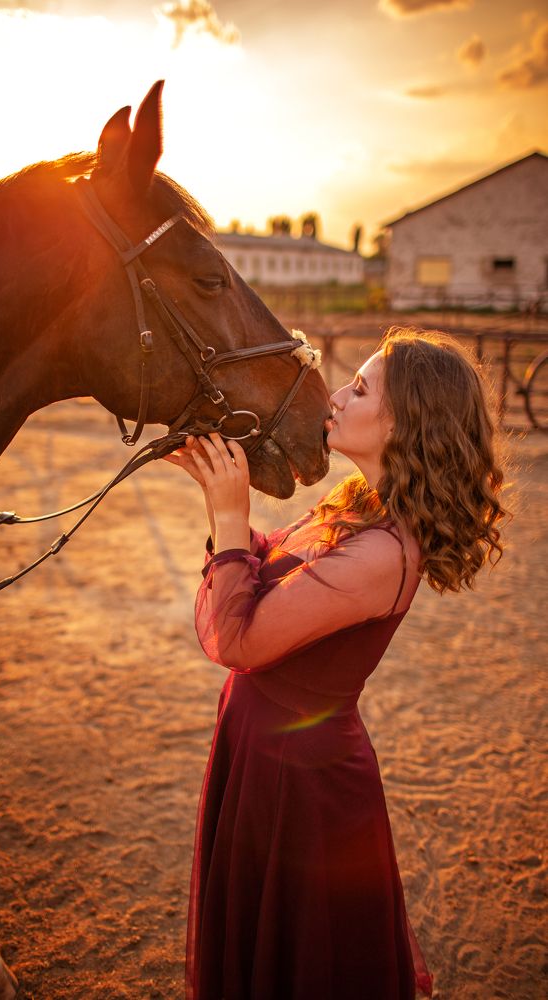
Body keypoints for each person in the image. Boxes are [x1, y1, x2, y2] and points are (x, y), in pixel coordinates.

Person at [163, 327, 507, 1000]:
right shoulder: (357, 506)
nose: (339, 395)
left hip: (303, 780)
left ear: (406, 422)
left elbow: (241, 642)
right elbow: (260, 564)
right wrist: (216, 487)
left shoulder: (388, 552)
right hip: (265, 751)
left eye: (360, 388)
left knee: (303, 961)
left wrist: (232, 511)